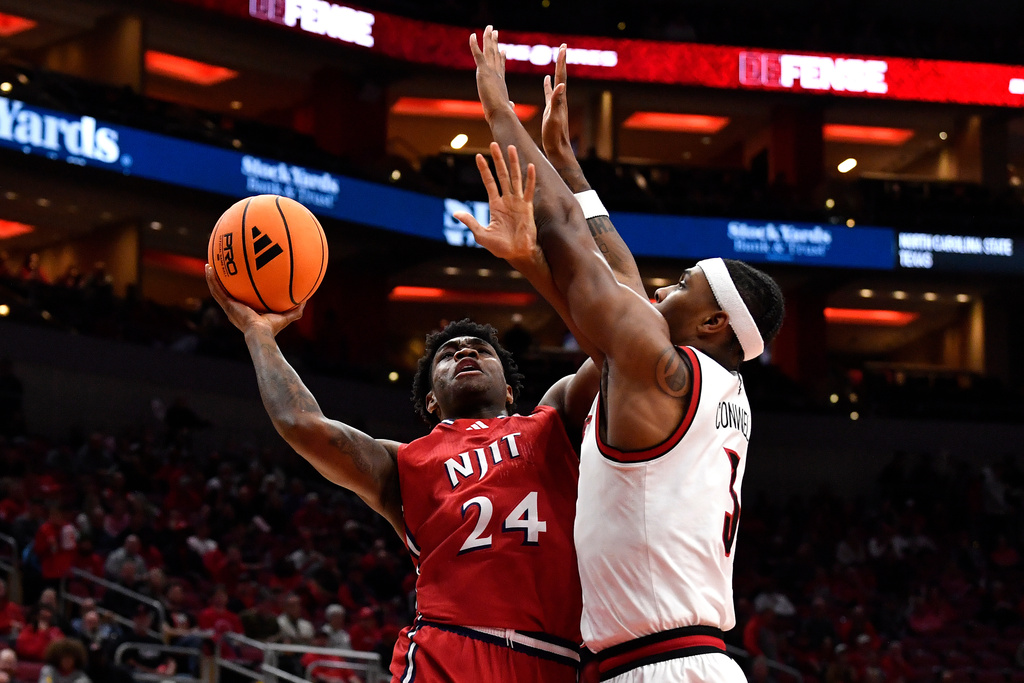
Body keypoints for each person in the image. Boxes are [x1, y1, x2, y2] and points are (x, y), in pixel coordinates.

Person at [461, 27, 785, 682]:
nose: (667, 285)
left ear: (714, 319)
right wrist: (570, 167)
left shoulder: (663, 371)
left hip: (654, 668)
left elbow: (572, 244)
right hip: (692, 661)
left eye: (686, 283)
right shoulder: (709, 385)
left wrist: (498, 110)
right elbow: (624, 287)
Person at [206, 257, 623, 681]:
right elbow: (301, 423)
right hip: (450, 650)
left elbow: (617, 344)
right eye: (448, 353)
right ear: (431, 401)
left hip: (559, 659)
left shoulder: (554, 421)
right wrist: (258, 334)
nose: (465, 351)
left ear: (511, 391)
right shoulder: (403, 463)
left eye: (481, 350)